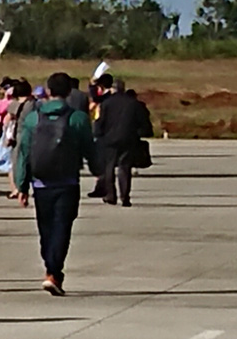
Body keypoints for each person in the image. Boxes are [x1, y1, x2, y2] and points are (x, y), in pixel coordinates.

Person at [14, 72, 97, 297]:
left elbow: (24, 153)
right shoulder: (77, 118)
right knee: (62, 227)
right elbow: (90, 149)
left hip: (41, 183)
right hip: (68, 182)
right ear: (69, 92)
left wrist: (21, 185)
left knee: (45, 228)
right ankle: (53, 271)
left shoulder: (33, 119)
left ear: (48, 91)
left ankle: (51, 268)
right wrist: (100, 173)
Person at [94, 82, 152, 206]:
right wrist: (140, 133)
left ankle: (110, 195)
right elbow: (143, 123)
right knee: (125, 168)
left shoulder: (106, 104)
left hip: (110, 140)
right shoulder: (134, 104)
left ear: (112, 90)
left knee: (109, 167)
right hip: (128, 139)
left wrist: (98, 134)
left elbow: (100, 121)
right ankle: (125, 196)